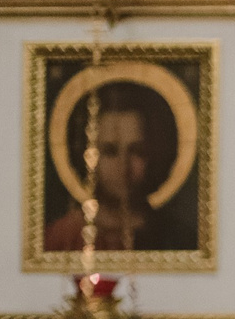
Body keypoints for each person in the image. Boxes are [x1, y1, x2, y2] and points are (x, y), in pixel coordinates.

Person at [41, 83, 187, 253]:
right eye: (110, 151)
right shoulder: (60, 237)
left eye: (137, 151)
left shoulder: (177, 237)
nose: (123, 166)